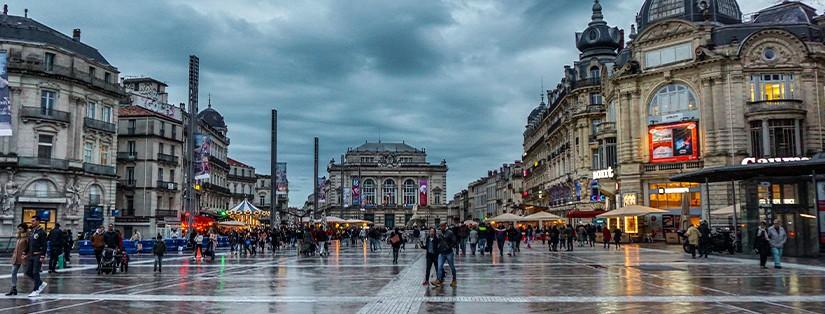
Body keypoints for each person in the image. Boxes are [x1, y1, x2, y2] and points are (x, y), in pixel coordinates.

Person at [24, 217, 48, 297]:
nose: (32, 222)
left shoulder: (42, 232)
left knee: (35, 272)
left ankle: (36, 290)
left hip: (38, 254)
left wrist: (42, 255)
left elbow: (44, 245)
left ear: (38, 221)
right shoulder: (32, 232)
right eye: (31, 221)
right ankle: (41, 283)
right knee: (28, 272)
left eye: (33, 221)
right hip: (31, 255)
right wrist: (25, 252)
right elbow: (29, 243)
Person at [6, 223, 29, 296]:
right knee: (13, 272)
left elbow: (29, 248)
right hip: (16, 258)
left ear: (24, 229)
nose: (19, 230)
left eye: (20, 229)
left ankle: (37, 286)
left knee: (28, 273)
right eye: (18, 229)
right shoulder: (19, 236)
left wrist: (26, 255)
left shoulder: (28, 237)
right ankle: (13, 288)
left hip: (24, 257)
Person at [433, 223, 457, 288]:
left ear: (445, 226)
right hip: (442, 253)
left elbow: (454, 241)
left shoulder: (449, 232)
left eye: (442, 226)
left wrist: (449, 246)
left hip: (449, 253)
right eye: (440, 226)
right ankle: (439, 280)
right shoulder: (440, 233)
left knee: (452, 267)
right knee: (439, 267)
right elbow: (438, 242)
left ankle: (454, 279)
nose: (441, 227)